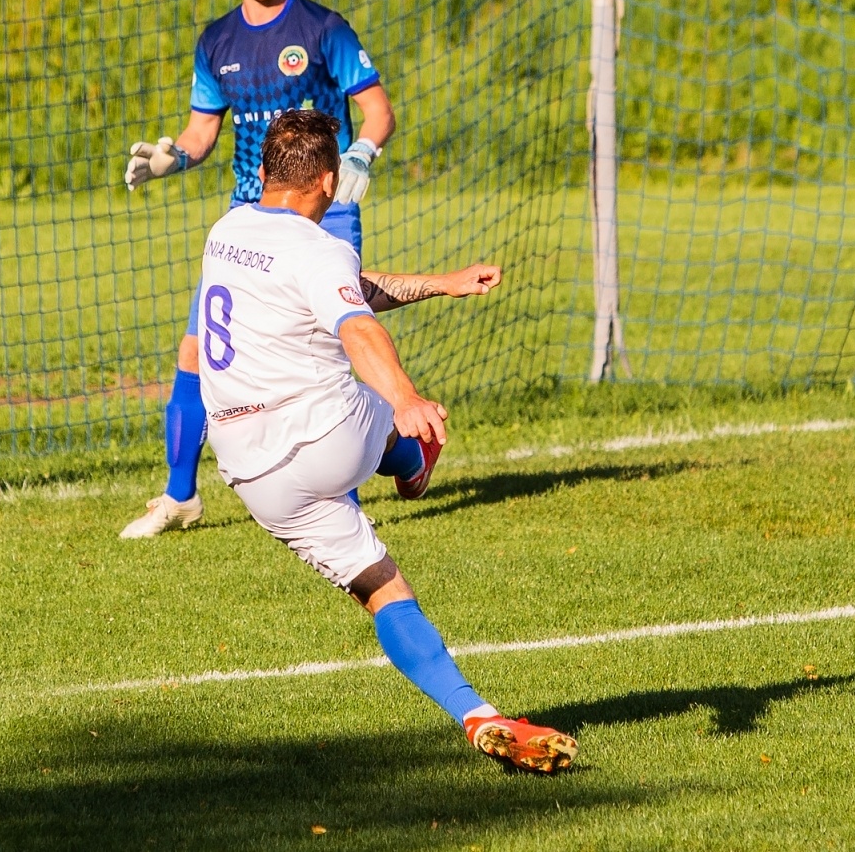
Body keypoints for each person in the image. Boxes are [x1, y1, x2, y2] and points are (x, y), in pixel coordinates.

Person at [192, 109, 577, 773]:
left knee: (380, 585)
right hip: (324, 433)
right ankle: (411, 450)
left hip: (248, 471)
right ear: (329, 178)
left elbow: (345, 294)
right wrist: (405, 398)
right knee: (367, 403)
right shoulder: (321, 248)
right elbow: (356, 324)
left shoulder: (226, 230)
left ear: (262, 172)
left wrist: (440, 282)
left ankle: (479, 714)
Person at [121, 0, 395, 539]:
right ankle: (180, 496)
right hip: (250, 217)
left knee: (330, 351)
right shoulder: (216, 41)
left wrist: (361, 151)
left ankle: (343, 490)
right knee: (196, 351)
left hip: (326, 211)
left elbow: (376, 109)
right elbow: (200, 132)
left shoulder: (324, 28)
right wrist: (171, 159)